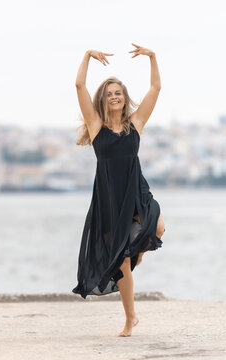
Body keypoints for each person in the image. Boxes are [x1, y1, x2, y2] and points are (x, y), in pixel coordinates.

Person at [72, 44, 166, 337]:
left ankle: (135, 253)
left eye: (119, 92)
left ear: (125, 99)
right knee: (121, 261)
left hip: (135, 190)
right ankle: (130, 318)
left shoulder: (135, 124)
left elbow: (155, 88)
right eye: (110, 93)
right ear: (104, 99)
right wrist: (87, 56)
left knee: (158, 228)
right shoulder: (96, 126)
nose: (114, 96)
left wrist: (152, 57)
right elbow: (79, 85)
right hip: (109, 197)